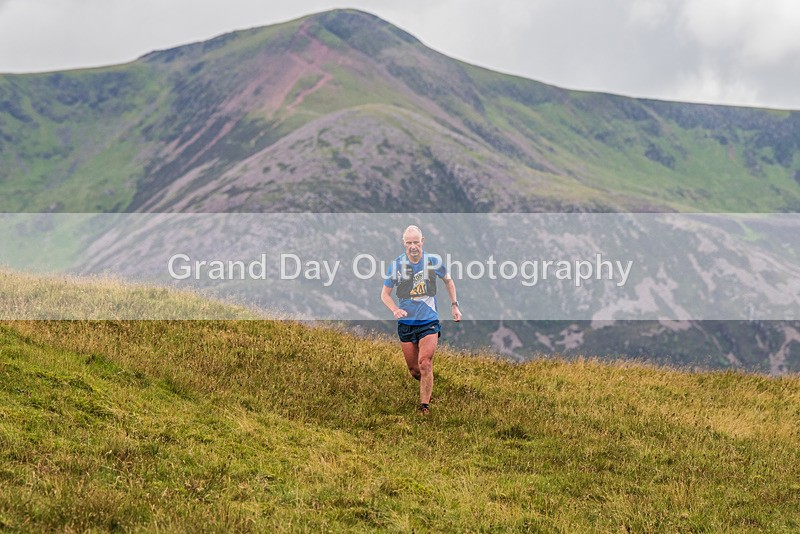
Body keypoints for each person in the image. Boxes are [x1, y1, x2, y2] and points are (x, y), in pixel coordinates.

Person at [381, 225, 461, 415]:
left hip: (428, 322)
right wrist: (395, 309)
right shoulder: (397, 265)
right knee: (415, 370)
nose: (413, 246)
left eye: (416, 242)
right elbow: (384, 294)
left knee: (425, 362)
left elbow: (448, 281)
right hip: (406, 324)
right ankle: (428, 383)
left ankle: (424, 407)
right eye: (409, 243)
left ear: (422, 241)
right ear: (404, 244)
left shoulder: (433, 261)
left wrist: (454, 305)